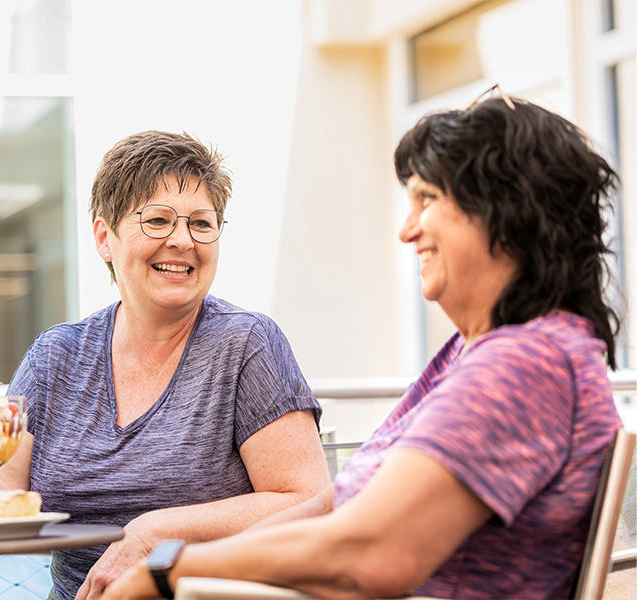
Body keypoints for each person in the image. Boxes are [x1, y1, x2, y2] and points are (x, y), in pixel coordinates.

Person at [102, 90, 625, 600]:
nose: (407, 230)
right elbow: (330, 507)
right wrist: (178, 569)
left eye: (427, 200)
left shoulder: (524, 365)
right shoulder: (473, 355)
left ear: (506, 213)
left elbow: (373, 556)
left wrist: (168, 573)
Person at [0, 130, 331, 600]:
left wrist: (154, 534)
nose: (183, 241)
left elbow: (307, 501)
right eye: (158, 220)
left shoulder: (246, 344)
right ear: (105, 237)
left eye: (202, 224)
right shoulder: (56, 357)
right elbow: (4, 496)